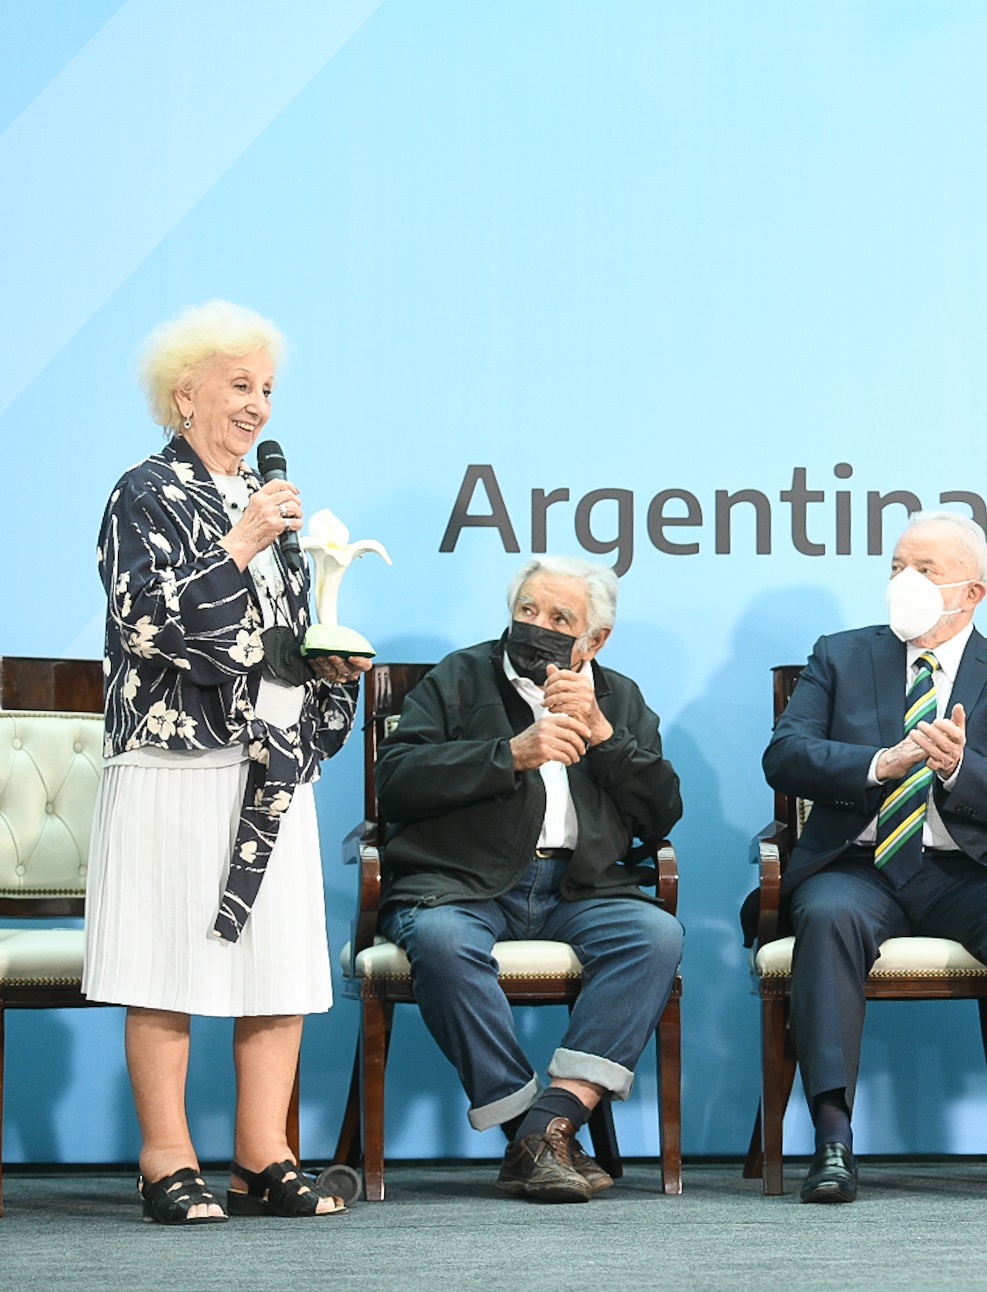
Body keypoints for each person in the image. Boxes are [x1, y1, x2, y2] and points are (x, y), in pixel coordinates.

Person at [87, 300, 365, 1224]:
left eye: (268, 389)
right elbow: (153, 627)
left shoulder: (275, 508)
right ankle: (164, 1156)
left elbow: (279, 637)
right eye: (239, 386)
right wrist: (241, 542)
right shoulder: (144, 493)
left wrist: (326, 669)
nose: (258, 407)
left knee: (278, 965)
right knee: (166, 963)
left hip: (270, 766)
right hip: (176, 766)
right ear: (184, 395)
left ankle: (263, 1154)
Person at [761, 511, 987, 1204]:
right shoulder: (840, 656)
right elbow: (785, 755)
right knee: (829, 915)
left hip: (971, 870)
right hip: (858, 865)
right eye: (897, 566)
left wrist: (962, 770)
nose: (904, 581)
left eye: (924, 570)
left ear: (972, 593)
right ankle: (834, 1141)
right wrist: (880, 762)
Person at [374, 556, 683, 1204]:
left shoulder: (619, 697)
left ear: (594, 640)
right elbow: (394, 780)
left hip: (582, 887)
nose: (537, 626)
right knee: (438, 938)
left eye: (560, 619)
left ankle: (547, 1125)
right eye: (527, 611)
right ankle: (540, 1135)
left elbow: (661, 811)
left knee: (654, 935)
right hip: (463, 883)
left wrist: (602, 735)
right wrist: (509, 754)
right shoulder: (460, 676)